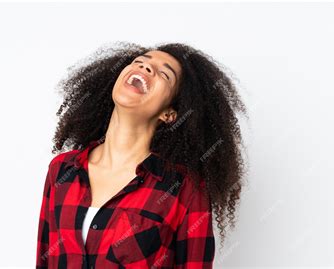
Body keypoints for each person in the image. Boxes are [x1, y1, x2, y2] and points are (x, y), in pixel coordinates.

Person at [36, 42, 248, 269]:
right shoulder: (62, 170)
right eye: (139, 62)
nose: (146, 68)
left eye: (164, 74)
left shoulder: (184, 189)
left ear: (169, 114)